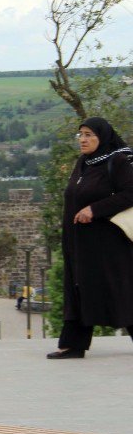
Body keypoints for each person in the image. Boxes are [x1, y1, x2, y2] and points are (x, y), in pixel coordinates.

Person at [48, 117, 133, 359]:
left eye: (88, 135)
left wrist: (94, 210)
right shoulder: (84, 163)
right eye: (80, 135)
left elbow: (130, 193)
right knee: (79, 289)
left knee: (120, 290)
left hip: (109, 244)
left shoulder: (118, 161)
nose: (83, 140)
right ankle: (73, 345)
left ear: (103, 137)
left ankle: (74, 344)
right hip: (80, 244)